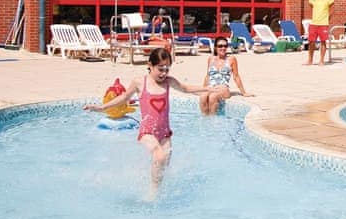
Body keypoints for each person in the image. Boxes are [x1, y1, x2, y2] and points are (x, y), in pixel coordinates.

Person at [84, 48, 206, 199]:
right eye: (160, 69)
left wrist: (208, 88)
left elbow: (186, 88)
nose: (164, 73)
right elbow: (124, 97)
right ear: (150, 65)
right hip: (147, 131)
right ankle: (152, 195)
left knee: (163, 167)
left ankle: (157, 191)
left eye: (167, 69)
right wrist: (101, 107)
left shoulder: (168, 82)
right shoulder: (140, 82)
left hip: (165, 132)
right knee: (159, 156)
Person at [199, 36, 252, 115]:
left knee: (213, 97)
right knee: (203, 97)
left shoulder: (231, 59)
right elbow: (208, 75)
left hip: (223, 88)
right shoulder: (211, 59)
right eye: (220, 46)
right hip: (211, 86)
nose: (223, 48)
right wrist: (203, 89)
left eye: (225, 46)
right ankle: (205, 119)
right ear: (216, 47)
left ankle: (212, 120)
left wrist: (243, 92)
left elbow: (236, 76)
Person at [306, 0, 334, 66]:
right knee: (311, 42)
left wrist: (327, 19)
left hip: (323, 24)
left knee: (323, 42)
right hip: (314, 23)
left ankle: (321, 61)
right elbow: (311, 7)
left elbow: (332, 10)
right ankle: (310, 60)